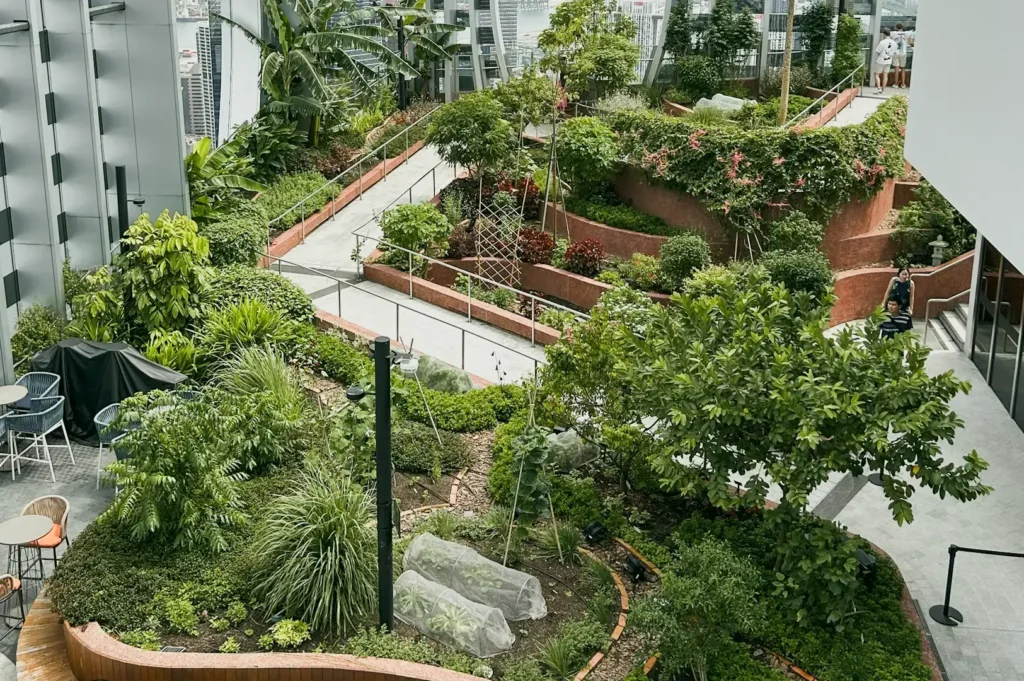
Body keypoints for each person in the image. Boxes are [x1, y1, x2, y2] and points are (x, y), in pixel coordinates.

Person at [874, 29, 898, 94]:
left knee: (877, 74)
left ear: (884, 34)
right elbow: (895, 52)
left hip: (881, 60)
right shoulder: (894, 43)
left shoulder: (882, 42)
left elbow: (877, 51)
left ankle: (879, 88)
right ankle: (883, 89)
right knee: (885, 75)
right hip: (889, 60)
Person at [891, 23, 910, 89]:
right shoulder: (906, 33)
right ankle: (903, 84)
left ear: (896, 27)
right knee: (903, 68)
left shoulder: (893, 33)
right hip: (903, 53)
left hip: (895, 52)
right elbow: (911, 32)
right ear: (902, 27)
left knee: (896, 68)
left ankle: (896, 84)